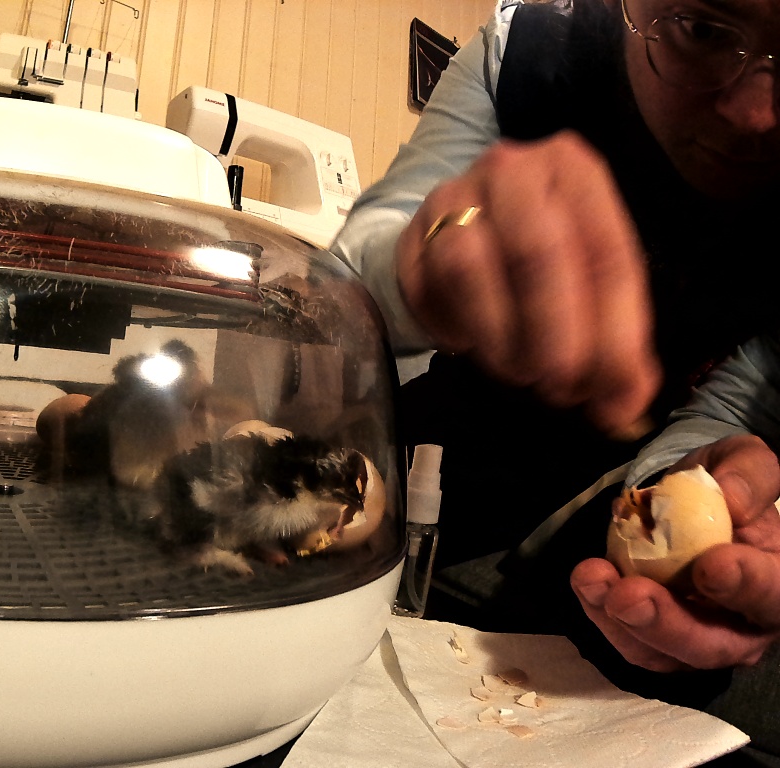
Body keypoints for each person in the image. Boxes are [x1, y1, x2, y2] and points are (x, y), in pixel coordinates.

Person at [330, 0, 780, 762]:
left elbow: (738, 399)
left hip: (582, 528)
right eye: (703, 29)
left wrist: (692, 491)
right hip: (409, 475)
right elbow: (350, 274)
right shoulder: (528, 55)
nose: (755, 114)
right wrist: (432, 255)